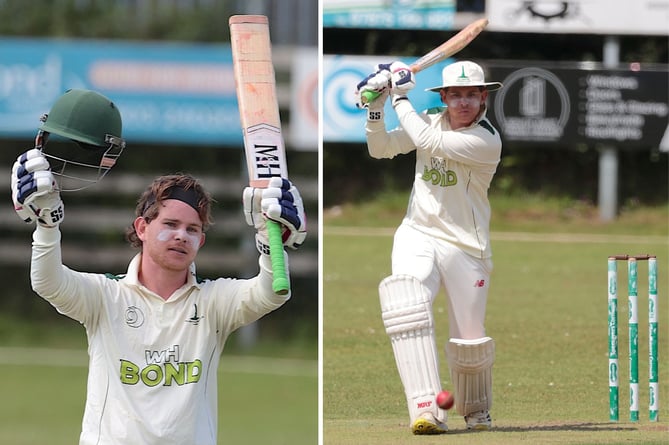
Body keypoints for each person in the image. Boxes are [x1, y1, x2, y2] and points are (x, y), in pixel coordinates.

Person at [10, 89, 306, 444]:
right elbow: (49, 283)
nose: (181, 236)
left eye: (192, 229)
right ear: (142, 228)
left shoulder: (213, 303)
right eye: (169, 224)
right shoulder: (107, 297)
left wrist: (271, 242)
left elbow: (271, 292)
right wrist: (47, 225)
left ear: (201, 241)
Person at [355, 61, 503, 434]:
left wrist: (398, 95)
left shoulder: (486, 140)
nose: (464, 102)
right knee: (406, 301)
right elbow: (381, 148)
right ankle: (425, 408)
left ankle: (475, 409)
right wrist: (375, 107)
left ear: (483, 97)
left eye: (471, 94)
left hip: (466, 246)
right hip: (418, 231)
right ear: (445, 97)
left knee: (468, 340)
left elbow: (428, 142)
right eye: (456, 95)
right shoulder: (431, 117)